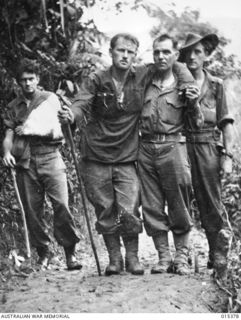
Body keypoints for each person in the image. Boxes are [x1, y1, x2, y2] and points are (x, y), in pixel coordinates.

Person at [58, 33, 195, 276]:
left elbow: (175, 63)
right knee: (104, 207)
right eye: (120, 50)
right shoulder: (97, 78)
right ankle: (114, 259)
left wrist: (186, 83)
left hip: (128, 156)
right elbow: (81, 102)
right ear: (111, 52)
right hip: (96, 154)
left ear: (135, 56)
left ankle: (132, 257)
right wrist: (72, 115)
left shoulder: (143, 74)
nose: (125, 56)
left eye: (130, 52)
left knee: (130, 208)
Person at [2, 58, 82, 271]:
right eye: (23, 80)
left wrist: (68, 120)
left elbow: (65, 124)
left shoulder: (50, 99)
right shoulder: (14, 106)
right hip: (26, 161)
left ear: (37, 79)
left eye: (31, 79)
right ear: (18, 82)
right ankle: (44, 253)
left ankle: (70, 253)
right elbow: (9, 134)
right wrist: (7, 152)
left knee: (62, 205)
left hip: (51, 156)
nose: (27, 84)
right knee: (32, 210)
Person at [138, 34, 203, 276]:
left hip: (173, 147)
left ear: (175, 55)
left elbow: (196, 123)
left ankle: (182, 257)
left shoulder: (185, 84)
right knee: (152, 206)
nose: (161, 56)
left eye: (166, 52)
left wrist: (194, 104)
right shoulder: (145, 82)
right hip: (145, 149)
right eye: (157, 52)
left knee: (179, 204)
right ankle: (163, 257)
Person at [178, 33, 234, 275]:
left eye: (198, 52)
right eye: (188, 52)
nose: (192, 57)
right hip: (181, 145)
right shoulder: (176, 83)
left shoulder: (216, 85)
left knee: (211, 201)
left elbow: (226, 123)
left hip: (208, 146)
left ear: (206, 55)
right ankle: (182, 255)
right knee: (180, 200)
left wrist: (228, 156)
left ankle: (217, 254)